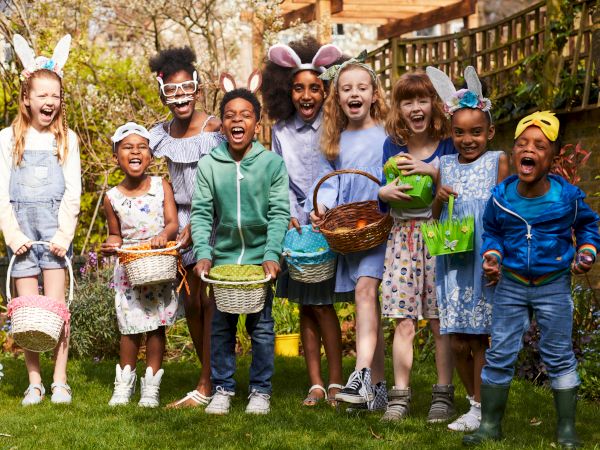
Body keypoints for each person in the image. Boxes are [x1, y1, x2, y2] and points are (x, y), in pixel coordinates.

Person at [463, 111, 600, 447]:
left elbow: (588, 226)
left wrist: (586, 252)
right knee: (500, 353)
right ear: (513, 153)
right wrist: (492, 255)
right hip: (511, 285)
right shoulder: (501, 197)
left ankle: (566, 429)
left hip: (552, 285)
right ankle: (490, 426)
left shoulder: (566, 197)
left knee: (558, 354)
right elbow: (493, 231)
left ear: (552, 157)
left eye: (539, 145)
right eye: (522, 143)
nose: (529, 149)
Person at [190, 74, 290, 415]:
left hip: (261, 258)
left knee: (261, 327)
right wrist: (204, 254)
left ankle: (260, 390)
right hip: (226, 259)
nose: (237, 120)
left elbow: (279, 213)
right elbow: (202, 214)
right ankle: (223, 388)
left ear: (257, 123)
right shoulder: (209, 165)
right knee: (220, 326)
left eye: (245, 114)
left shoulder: (272, 164)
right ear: (223, 124)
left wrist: (272, 255)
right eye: (230, 114)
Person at [262, 37, 345, 406]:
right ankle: (315, 382)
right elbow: (280, 181)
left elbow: (338, 173)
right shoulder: (280, 133)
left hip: (328, 224)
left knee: (323, 303)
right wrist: (291, 219)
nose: (307, 95)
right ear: (287, 91)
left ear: (325, 90)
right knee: (305, 305)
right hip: (297, 230)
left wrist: (324, 208)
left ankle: (337, 381)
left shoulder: (334, 126)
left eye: (315, 87)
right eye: (299, 88)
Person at [427, 66, 509, 431]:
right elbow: (433, 216)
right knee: (458, 338)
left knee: (482, 336)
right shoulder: (444, 165)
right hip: (454, 258)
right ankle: (473, 403)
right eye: (459, 132)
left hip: (486, 257)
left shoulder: (498, 161)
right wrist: (438, 197)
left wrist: (502, 255)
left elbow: (508, 209)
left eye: (476, 132)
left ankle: (481, 407)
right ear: (451, 133)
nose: (468, 139)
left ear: (489, 132)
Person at [0, 34, 80, 406]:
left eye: (55, 96)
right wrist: (12, 234)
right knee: (27, 312)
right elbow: (1, 193)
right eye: (42, 95)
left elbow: (73, 192)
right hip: (22, 236)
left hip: (54, 235)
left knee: (57, 306)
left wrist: (64, 234)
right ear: (26, 99)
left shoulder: (67, 140)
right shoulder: (7, 139)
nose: (49, 102)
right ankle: (35, 381)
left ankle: (60, 379)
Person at [307, 52, 389, 410]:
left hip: (383, 226)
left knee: (365, 293)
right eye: (346, 89)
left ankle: (359, 378)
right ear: (337, 98)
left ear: (374, 94)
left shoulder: (387, 135)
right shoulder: (335, 140)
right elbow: (330, 186)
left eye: (361, 88)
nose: (354, 94)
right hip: (352, 231)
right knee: (369, 306)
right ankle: (381, 388)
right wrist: (321, 208)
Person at [377, 72, 455, 422]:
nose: (415, 107)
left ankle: (443, 395)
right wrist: (383, 193)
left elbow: (459, 184)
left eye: (422, 100)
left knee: (440, 321)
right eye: (407, 101)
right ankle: (400, 396)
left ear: (434, 105)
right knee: (403, 320)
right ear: (399, 108)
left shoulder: (448, 143)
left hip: (439, 236)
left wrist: (431, 170)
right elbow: (383, 189)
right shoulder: (392, 145)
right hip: (403, 238)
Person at [148, 47, 224, 408]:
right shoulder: (161, 134)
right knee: (191, 304)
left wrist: (195, 224)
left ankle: (208, 383)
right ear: (163, 93)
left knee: (208, 301)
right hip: (181, 224)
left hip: (212, 220)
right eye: (172, 91)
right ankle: (207, 377)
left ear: (197, 88)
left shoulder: (215, 129)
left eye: (186, 89)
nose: (180, 98)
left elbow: (222, 181)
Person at [101, 122, 180, 408]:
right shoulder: (112, 197)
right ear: (116, 156)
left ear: (150, 155)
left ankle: (151, 386)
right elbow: (115, 232)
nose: (135, 151)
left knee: (156, 326)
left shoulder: (161, 186)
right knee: (129, 327)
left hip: (158, 265)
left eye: (142, 147)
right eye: (127, 147)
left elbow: (172, 223)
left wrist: (163, 236)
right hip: (130, 270)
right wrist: (111, 244)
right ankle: (124, 385)